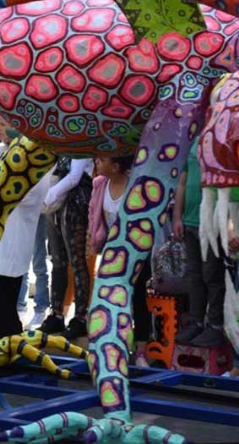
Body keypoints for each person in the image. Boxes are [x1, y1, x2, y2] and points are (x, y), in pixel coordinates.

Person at [88, 153, 150, 360]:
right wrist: (93, 238)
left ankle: (140, 351)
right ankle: (114, 345)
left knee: (138, 298)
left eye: (102, 160)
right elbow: (93, 213)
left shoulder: (135, 186)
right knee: (111, 300)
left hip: (136, 252)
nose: (97, 162)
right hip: (111, 253)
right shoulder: (99, 184)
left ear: (115, 166)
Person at [171, 144, 228, 346]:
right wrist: (177, 216)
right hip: (191, 221)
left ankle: (215, 325)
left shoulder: (222, 142)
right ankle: (196, 322)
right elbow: (183, 182)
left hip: (213, 223)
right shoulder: (193, 143)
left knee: (212, 274)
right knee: (194, 275)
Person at [0, 169, 54, 338]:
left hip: (9, 256)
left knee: (5, 316)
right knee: (5, 311)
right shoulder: (36, 173)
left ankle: (11, 347)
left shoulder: (34, 176)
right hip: (11, 254)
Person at [39, 157, 93, 339]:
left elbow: (74, 176)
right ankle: (56, 314)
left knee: (78, 262)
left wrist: (49, 196)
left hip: (75, 203)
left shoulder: (79, 146)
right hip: (54, 204)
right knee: (57, 262)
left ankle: (80, 318)